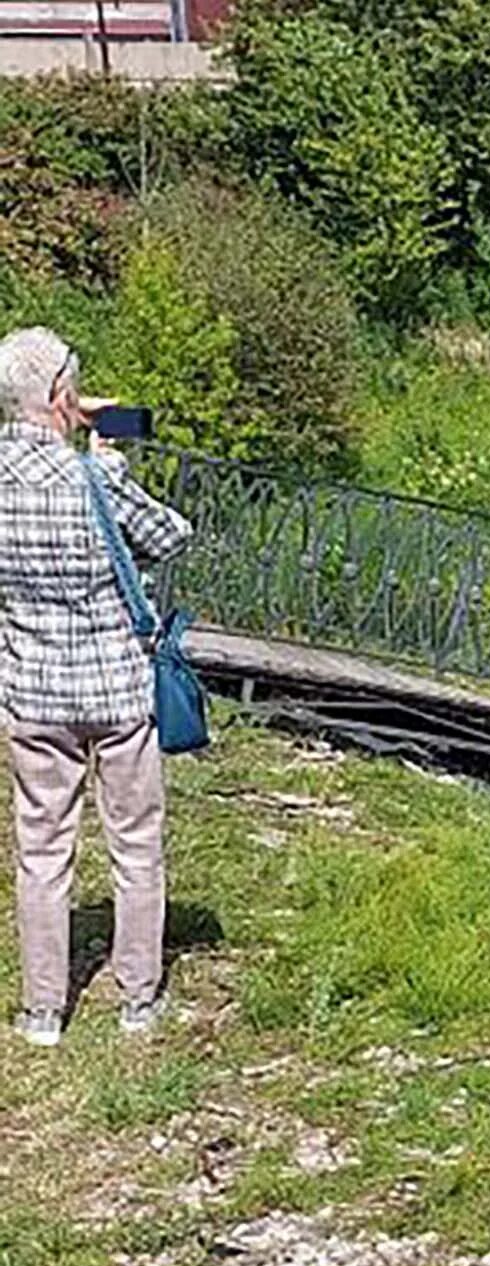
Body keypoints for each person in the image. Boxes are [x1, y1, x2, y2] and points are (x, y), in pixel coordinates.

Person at [0, 328, 194, 1049]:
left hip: (33, 690)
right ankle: (138, 998)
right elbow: (173, 536)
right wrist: (112, 460)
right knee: (135, 844)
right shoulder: (95, 479)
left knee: (41, 852)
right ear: (63, 398)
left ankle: (43, 1010)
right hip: (114, 691)